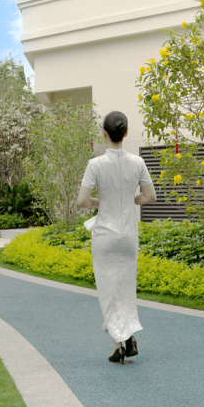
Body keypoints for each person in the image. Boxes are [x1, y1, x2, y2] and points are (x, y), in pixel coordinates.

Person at [76, 111, 157, 364]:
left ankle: (118, 346)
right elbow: (150, 197)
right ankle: (129, 337)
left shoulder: (96, 164)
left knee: (109, 292)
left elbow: (82, 201)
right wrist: (129, 200)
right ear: (126, 132)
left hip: (105, 236)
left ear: (104, 133)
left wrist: (100, 202)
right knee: (125, 288)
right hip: (128, 236)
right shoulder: (138, 162)